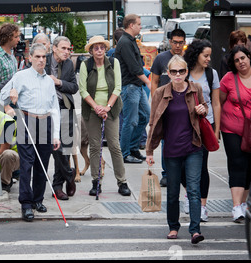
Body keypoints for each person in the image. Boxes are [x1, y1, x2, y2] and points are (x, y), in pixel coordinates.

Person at [146, 55, 207, 244]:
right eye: (174, 71)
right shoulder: (160, 93)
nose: (178, 74)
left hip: (193, 147)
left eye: (182, 71)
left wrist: (202, 110)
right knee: (172, 191)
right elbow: (153, 122)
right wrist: (149, 151)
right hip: (171, 149)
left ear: (187, 72)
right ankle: (173, 226)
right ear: (168, 73)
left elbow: (204, 107)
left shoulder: (195, 88)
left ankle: (195, 231)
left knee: (194, 190)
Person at [0, 43, 61, 222]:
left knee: (42, 165)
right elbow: (2, 96)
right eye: (37, 57)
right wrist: (11, 97)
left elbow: (54, 108)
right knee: (26, 164)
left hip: (46, 122)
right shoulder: (20, 76)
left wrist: (56, 134)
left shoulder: (50, 81)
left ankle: (37, 200)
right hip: (27, 121)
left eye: (43, 57)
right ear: (30, 58)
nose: (41, 60)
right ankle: (26, 204)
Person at [79, 35, 131, 197]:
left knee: (115, 146)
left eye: (102, 47)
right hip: (91, 110)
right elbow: (83, 90)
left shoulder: (113, 63)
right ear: (91, 51)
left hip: (111, 109)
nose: (99, 50)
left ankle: (122, 182)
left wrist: (107, 107)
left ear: (105, 49)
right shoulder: (85, 65)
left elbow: (117, 88)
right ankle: (96, 181)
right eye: (96, 48)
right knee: (94, 146)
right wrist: (96, 108)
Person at [183, 39, 221, 222]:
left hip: (206, 124)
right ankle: (190, 196)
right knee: (182, 165)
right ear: (196, 55)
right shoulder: (184, 72)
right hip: (185, 126)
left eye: (209, 56)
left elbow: (216, 103)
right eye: (205, 55)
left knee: (202, 166)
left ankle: (202, 206)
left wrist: (217, 130)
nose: (208, 59)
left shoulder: (211, 74)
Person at [219, 45, 251, 222]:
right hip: (231, 128)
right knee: (237, 163)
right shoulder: (228, 79)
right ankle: (236, 206)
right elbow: (220, 101)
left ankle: (244, 203)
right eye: (237, 60)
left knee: (249, 167)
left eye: (243, 58)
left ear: (249, 57)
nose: (241, 62)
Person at [150, 28, 186, 188]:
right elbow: (154, 81)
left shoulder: (188, 60)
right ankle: (167, 173)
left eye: (181, 42)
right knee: (165, 139)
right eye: (175, 42)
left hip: (184, 106)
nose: (178, 45)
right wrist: (155, 101)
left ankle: (182, 172)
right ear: (170, 42)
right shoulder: (161, 58)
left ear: (185, 43)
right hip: (165, 106)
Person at [115, 14, 150, 164]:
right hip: (129, 86)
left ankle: (133, 147)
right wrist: (148, 82)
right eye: (139, 24)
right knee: (130, 121)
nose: (140, 26)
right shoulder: (125, 42)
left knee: (145, 116)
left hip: (136, 86)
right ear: (131, 25)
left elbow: (138, 64)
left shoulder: (131, 41)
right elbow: (134, 67)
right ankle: (124, 153)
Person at [46, 36, 79, 200]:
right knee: (55, 147)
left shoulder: (68, 64)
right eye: (63, 48)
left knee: (65, 149)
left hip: (65, 107)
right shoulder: (43, 62)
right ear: (54, 48)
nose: (67, 52)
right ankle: (69, 173)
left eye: (69, 49)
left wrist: (59, 82)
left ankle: (57, 188)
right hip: (47, 110)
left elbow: (74, 87)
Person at [0, 23, 20, 114]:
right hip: (2, 107)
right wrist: (6, 107)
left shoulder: (11, 53)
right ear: (7, 38)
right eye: (16, 37)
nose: (18, 39)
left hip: (12, 101)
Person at [0, 109, 19, 192]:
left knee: (7, 154)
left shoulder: (7, 121)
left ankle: (5, 182)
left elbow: (4, 148)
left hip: (10, 159)